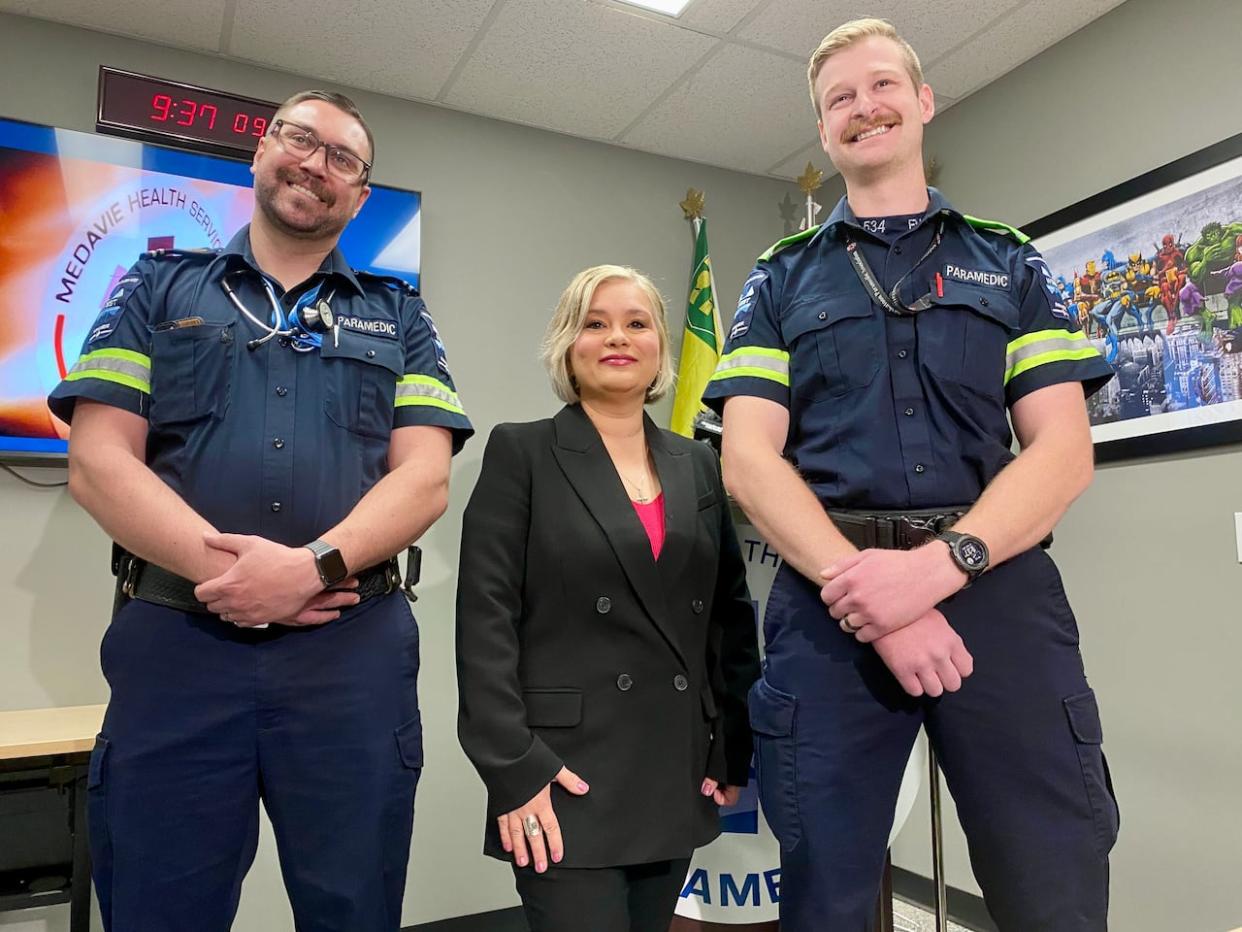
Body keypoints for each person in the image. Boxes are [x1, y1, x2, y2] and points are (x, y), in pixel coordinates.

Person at [702, 19, 1120, 932]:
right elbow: (747, 459)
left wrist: (935, 571)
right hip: (828, 599)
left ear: (924, 102)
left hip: (997, 587)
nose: (865, 108)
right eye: (839, 99)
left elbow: (1062, 449)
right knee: (826, 895)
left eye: (882, 85)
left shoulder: (1011, 261)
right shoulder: (778, 279)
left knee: (1054, 878)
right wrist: (870, 595)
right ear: (823, 131)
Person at [48, 90, 473, 932]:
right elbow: (98, 464)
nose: (315, 164)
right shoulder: (156, 285)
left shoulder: (401, 317)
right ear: (259, 152)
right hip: (180, 650)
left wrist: (308, 570)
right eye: (299, 139)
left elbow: (424, 480)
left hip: (350, 655)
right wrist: (240, 579)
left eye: (343, 160)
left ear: (358, 196)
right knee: (159, 907)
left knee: (354, 905)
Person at [456, 265, 760, 932]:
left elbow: (728, 618)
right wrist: (513, 768)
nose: (616, 337)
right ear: (568, 345)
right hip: (563, 776)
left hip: (672, 769)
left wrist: (731, 744)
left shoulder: (699, 464)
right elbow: (486, 623)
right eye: (595, 323)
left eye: (636, 323)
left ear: (659, 349)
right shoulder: (522, 451)